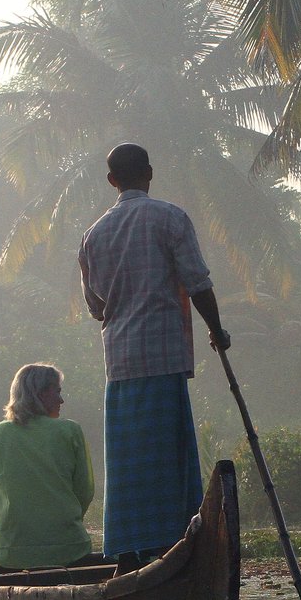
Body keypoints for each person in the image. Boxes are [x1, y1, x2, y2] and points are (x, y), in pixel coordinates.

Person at [78, 143, 229, 571]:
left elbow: (96, 308)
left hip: (121, 363)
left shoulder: (93, 236)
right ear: (149, 172)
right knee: (170, 456)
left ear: (112, 181)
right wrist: (216, 331)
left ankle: (130, 552)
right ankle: (173, 544)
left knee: (128, 460)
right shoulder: (170, 217)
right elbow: (197, 282)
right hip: (162, 357)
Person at [0, 363, 95, 568]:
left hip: (9, 548)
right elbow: (85, 490)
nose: (61, 400)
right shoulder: (70, 430)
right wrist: (64, 521)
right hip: (67, 544)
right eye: (57, 392)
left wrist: (10, 528)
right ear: (39, 393)